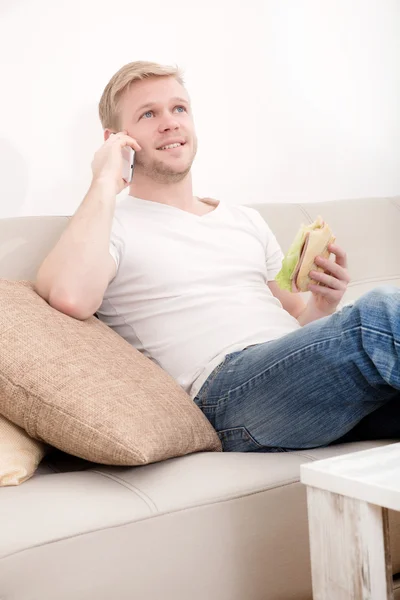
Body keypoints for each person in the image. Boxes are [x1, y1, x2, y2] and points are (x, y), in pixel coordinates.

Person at [35, 61, 400, 452]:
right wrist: (104, 179)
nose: (170, 122)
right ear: (115, 139)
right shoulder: (108, 223)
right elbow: (71, 297)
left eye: (179, 108)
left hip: (296, 380)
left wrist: (324, 304)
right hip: (227, 394)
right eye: (148, 114)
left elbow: (297, 322)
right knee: (379, 314)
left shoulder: (244, 219)